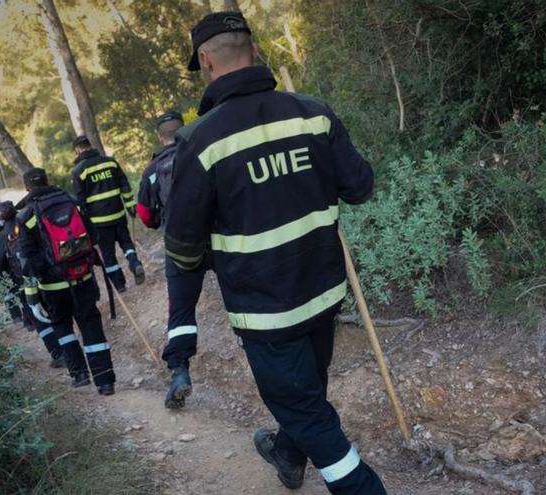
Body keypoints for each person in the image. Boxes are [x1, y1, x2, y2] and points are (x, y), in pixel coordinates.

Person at [164, 11, 386, 494]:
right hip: (323, 293)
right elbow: (361, 187)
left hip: (266, 310)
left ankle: (364, 487)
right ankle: (287, 454)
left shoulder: (199, 141)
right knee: (305, 394)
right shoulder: (313, 113)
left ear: (205, 61)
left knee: (307, 410)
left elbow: (181, 245)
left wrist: (208, 260)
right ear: (256, 49)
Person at [18, 167, 116, 395]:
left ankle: (79, 375)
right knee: (91, 326)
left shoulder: (26, 215)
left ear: (27, 188)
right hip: (83, 278)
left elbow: (28, 260)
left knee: (63, 328)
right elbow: (94, 235)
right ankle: (105, 382)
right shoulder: (72, 201)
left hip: (53, 288)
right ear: (48, 179)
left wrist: (48, 270)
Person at [137, 111, 203, 409]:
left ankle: (179, 371)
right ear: (183, 129)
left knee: (180, 313)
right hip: (219, 241)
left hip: (178, 248)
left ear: (159, 136)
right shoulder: (203, 151)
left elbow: (145, 216)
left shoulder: (152, 170)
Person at [70, 135, 144, 293]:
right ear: (89, 145)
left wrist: (84, 226)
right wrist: (130, 205)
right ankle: (135, 263)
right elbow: (124, 184)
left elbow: (80, 201)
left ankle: (120, 284)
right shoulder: (110, 162)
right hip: (118, 214)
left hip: (99, 221)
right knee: (126, 243)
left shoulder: (78, 171)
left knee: (108, 253)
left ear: (77, 150)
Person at [0, 201, 30, 326]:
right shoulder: (27, 225)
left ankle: (30, 322)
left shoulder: (0, 238)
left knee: (25, 299)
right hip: (40, 270)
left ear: (1, 218)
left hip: (20, 276)